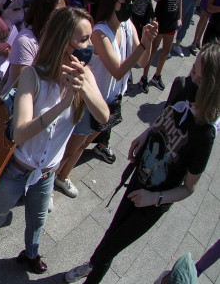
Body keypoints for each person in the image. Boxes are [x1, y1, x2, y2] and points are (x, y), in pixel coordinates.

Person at [0, 7, 109, 281]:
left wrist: (83, 88)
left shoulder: (85, 75)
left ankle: (30, 253)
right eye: (83, 40)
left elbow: (103, 116)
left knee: (37, 221)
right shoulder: (33, 77)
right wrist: (61, 107)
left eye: (90, 39)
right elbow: (19, 132)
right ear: (63, 42)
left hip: (46, 174)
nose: (90, 46)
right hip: (16, 169)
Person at [65, 44, 220, 283]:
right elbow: (165, 116)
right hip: (139, 178)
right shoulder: (180, 86)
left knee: (113, 246)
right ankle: (93, 263)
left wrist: (155, 198)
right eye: (192, 72)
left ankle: (94, 267)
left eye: (199, 80)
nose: (190, 80)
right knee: (111, 234)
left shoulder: (205, 134)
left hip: (152, 202)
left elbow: (189, 188)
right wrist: (146, 134)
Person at [54, 0, 158, 199]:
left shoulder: (128, 26)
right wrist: (142, 45)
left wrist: (146, 44)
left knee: (84, 145)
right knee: (73, 146)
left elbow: (140, 62)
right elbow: (118, 70)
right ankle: (49, 181)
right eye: (126, 1)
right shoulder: (100, 32)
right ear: (113, 0)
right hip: (90, 98)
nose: (131, 5)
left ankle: (62, 177)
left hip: (110, 99)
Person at [140, 0, 183, 92]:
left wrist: (180, 17)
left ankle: (157, 76)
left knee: (166, 50)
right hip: (161, 19)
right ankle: (144, 77)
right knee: (153, 49)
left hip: (172, 20)